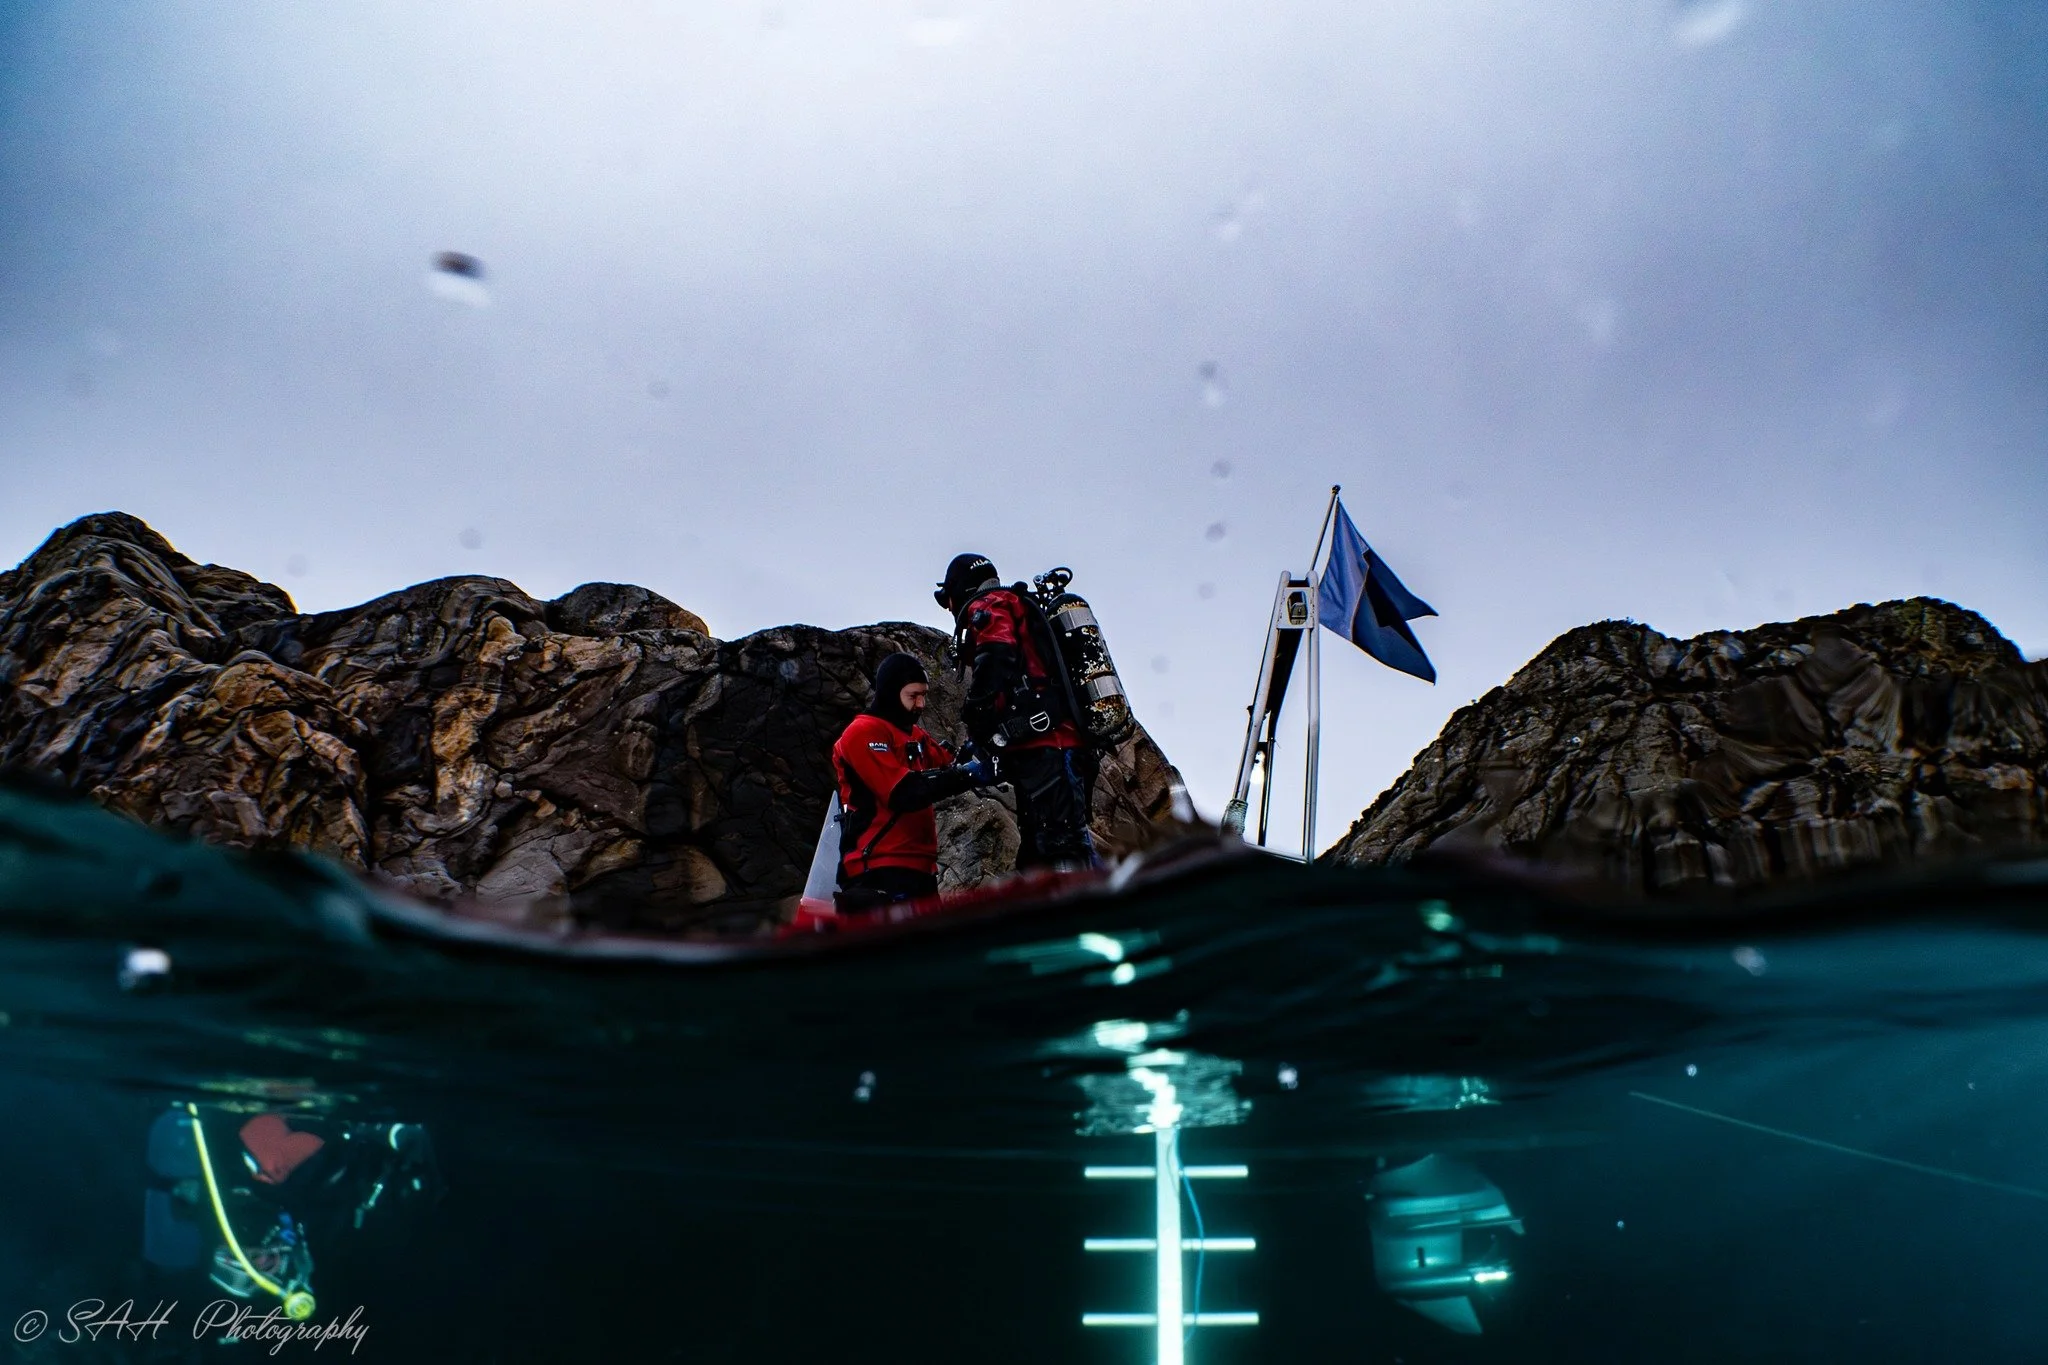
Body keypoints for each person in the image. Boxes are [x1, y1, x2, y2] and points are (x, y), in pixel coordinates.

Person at [934, 553, 1100, 870]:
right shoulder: (1018, 605)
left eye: (949, 600)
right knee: (1048, 848)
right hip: (1058, 748)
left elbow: (997, 652)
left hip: (1049, 749)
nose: (951, 609)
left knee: (1058, 847)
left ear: (959, 589)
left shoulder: (992, 604)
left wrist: (976, 712)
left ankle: (1089, 902)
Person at [831, 652, 989, 913]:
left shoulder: (915, 735)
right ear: (891, 693)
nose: (921, 704)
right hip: (878, 870)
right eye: (913, 696)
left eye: (923, 695)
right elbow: (902, 793)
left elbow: (949, 766)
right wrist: (967, 774)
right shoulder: (862, 732)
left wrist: (981, 749)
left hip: (921, 870)